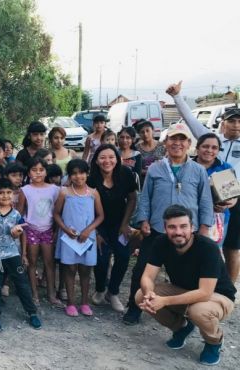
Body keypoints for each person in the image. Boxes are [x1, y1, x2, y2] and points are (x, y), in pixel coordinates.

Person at [123, 123, 214, 325]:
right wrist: (143, 220)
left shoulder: (198, 170)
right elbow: (145, 197)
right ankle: (134, 308)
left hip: (187, 233)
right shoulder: (156, 168)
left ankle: (187, 313)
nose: (177, 143)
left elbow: (205, 200)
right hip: (157, 229)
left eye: (182, 139)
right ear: (165, 143)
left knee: (189, 274)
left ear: (189, 144)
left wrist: (205, 228)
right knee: (141, 270)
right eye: (173, 139)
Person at [135, 205, 236, 366]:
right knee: (141, 295)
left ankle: (214, 342)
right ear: (165, 228)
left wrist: (165, 301)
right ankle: (181, 327)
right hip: (184, 291)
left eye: (183, 226)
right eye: (172, 227)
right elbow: (147, 276)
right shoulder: (161, 242)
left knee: (198, 310)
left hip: (217, 296)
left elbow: (204, 293)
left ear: (192, 227)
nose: (178, 232)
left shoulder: (208, 248)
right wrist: (149, 294)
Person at [167, 80, 240, 284]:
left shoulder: (225, 167)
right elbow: (190, 119)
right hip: (198, 203)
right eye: (232, 121)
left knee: (231, 248)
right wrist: (177, 97)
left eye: (239, 121)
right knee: (194, 247)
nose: (236, 125)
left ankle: (226, 290)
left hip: (229, 203)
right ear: (223, 122)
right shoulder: (210, 139)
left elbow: (230, 188)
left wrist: (231, 201)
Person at [0, 178, 42, 332]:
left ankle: (32, 313)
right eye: (1, 193)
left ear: (13, 194)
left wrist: (21, 246)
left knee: (21, 283)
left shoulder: (16, 214)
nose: (5, 196)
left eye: (9, 192)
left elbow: (20, 233)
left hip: (12, 254)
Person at [88, 144, 137, 312]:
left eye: (111, 157)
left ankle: (113, 292)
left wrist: (125, 223)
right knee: (101, 259)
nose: (107, 161)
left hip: (119, 223)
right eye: (102, 157)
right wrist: (94, 231)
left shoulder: (125, 174)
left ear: (117, 159)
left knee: (123, 256)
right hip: (97, 224)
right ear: (96, 160)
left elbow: (132, 198)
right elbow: (86, 207)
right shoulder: (90, 178)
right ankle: (101, 289)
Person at [54, 159, 104, 317]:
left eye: (81, 172)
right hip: (69, 238)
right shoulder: (64, 192)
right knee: (69, 269)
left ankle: (84, 302)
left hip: (87, 239)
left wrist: (88, 230)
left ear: (87, 173)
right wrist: (66, 229)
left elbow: (100, 216)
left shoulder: (93, 193)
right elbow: (56, 214)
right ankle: (70, 302)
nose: (78, 176)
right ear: (69, 176)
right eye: (74, 173)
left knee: (85, 270)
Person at [17, 157, 62, 307]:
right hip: (31, 230)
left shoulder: (54, 190)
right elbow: (20, 212)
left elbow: (57, 212)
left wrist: (56, 231)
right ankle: (34, 294)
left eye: (41, 170)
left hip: (48, 230)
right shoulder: (25, 190)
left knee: (49, 263)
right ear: (28, 173)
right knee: (32, 262)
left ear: (46, 171)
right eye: (34, 170)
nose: (38, 173)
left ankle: (51, 294)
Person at [192, 133, 236, 247]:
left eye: (214, 148)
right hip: (191, 218)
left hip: (217, 220)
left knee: (212, 254)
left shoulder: (224, 168)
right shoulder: (188, 166)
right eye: (205, 146)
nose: (209, 150)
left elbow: (233, 196)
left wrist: (225, 205)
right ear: (197, 148)